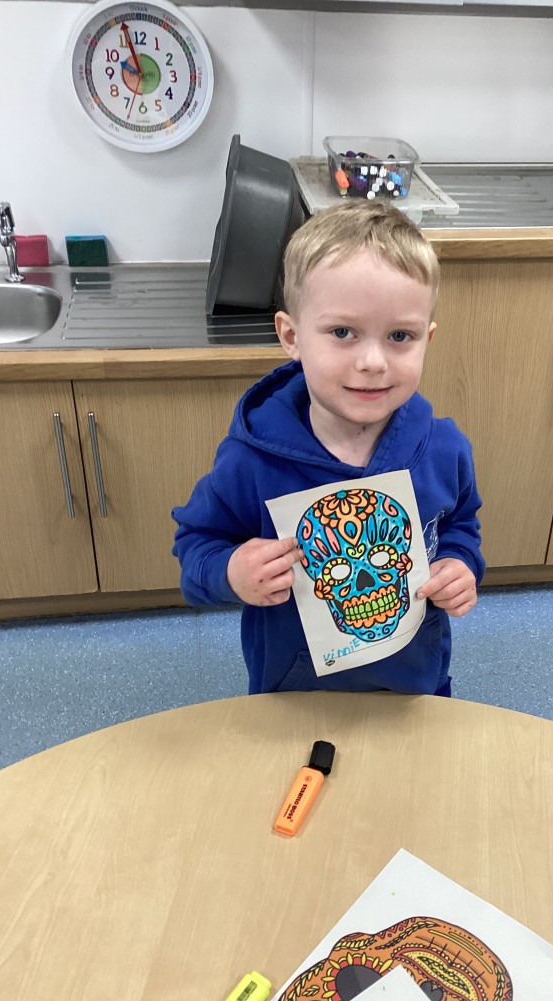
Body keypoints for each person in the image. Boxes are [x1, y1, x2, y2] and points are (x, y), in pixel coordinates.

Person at [172, 200, 484, 696]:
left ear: (427, 338)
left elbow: (460, 524)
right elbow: (196, 546)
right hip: (294, 697)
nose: (373, 361)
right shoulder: (251, 462)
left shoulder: (444, 449)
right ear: (291, 336)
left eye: (400, 336)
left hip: (415, 689)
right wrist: (231, 572)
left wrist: (460, 564)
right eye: (343, 332)